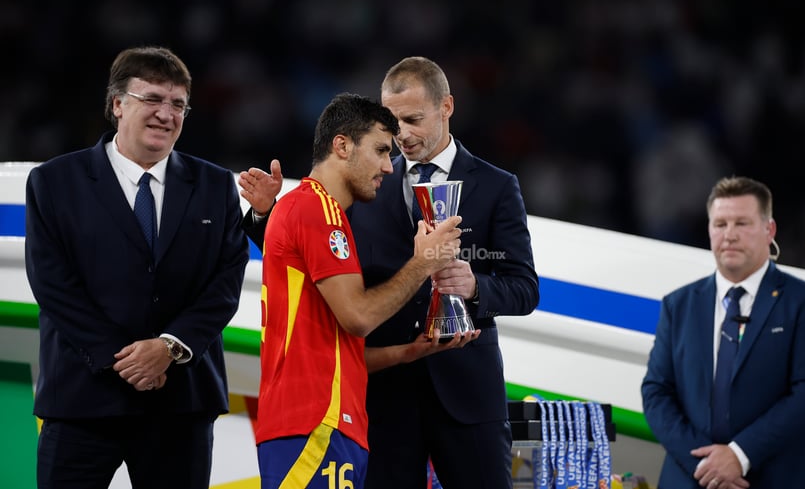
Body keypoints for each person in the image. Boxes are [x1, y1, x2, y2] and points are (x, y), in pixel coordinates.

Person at [241, 57, 539, 489]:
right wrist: (267, 217)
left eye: (413, 119)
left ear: (447, 107)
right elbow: (320, 258)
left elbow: (526, 288)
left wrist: (476, 286)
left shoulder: (495, 185)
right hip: (381, 391)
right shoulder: (366, 182)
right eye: (392, 123)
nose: (401, 136)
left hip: (466, 390)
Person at [25, 46, 250, 489]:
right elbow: (53, 283)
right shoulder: (54, 181)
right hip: (81, 401)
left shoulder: (215, 184)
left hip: (180, 401)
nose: (166, 114)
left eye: (178, 104)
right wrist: (124, 360)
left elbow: (226, 280)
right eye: (152, 99)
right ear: (117, 104)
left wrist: (169, 346)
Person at [252, 92, 462, 488]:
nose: (389, 165)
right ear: (342, 145)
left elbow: (332, 347)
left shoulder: (313, 210)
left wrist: (407, 351)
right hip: (317, 425)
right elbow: (359, 316)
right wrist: (424, 262)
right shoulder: (320, 210)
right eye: (381, 150)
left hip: (318, 423)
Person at [641, 176, 805, 488]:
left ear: (768, 230)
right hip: (695, 477)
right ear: (709, 229)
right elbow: (656, 393)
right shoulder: (678, 305)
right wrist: (708, 466)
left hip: (780, 478)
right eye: (720, 224)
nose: (729, 235)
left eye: (742, 223)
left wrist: (739, 455)